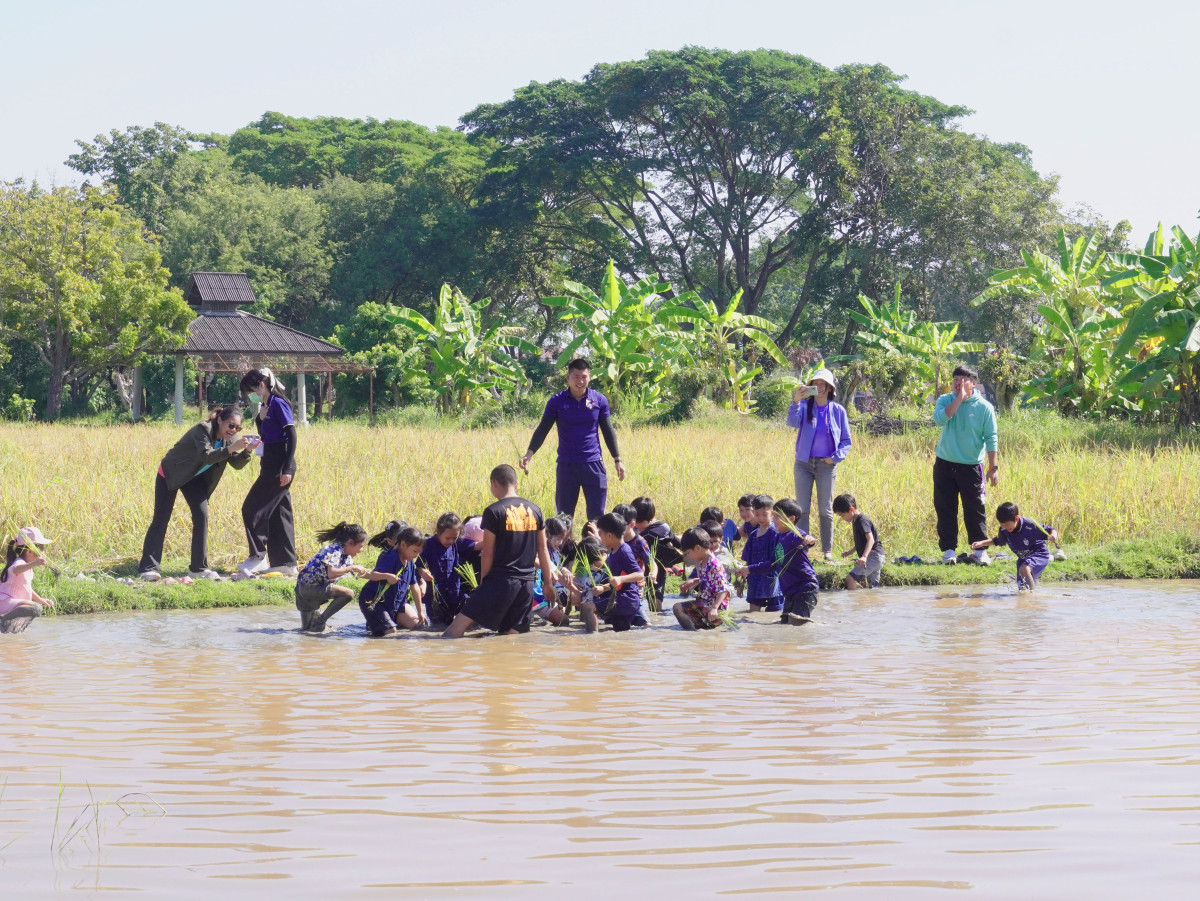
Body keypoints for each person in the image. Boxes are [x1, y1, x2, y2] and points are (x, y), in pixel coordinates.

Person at [139, 407, 254, 581]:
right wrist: (231, 448)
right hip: (172, 472)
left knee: (202, 516)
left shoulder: (230, 438)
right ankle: (148, 568)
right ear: (220, 420)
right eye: (231, 425)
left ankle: (198, 569)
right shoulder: (202, 429)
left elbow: (236, 464)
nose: (234, 430)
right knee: (161, 519)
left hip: (194, 478)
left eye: (238, 428)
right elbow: (207, 456)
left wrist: (247, 451)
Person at [443, 464, 554, 639]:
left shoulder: (493, 511)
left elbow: (488, 552)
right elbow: (543, 550)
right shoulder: (535, 510)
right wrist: (548, 583)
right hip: (527, 585)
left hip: (500, 580)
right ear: (516, 484)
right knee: (510, 637)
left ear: (494, 483)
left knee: (454, 630)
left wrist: (484, 582)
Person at [519, 358, 625, 520]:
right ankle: (564, 538)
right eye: (576, 377)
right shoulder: (556, 401)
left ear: (589, 377)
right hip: (567, 466)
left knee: (597, 517)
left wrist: (617, 460)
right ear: (568, 377)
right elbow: (543, 429)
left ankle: (593, 537)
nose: (580, 381)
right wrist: (529, 453)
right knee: (563, 517)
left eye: (584, 377)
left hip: (593, 464)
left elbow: (608, 430)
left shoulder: (599, 400)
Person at [933, 364, 999, 565]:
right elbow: (940, 420)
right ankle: (949, 550)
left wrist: (993, 468)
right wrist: (959, 399)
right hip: (945, 463)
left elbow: (991, 438)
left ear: (973, 383)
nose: (958, 385)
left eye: (963, 381)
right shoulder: (945, 400)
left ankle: (979, 551)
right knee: (945, 507)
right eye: (955, 381)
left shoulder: (984, 407)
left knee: (975, 509)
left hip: (971, 466)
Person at [787, 368, 852, 563]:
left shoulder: (838, 410)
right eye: (815, 384)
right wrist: (796, 400)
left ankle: (827, 552)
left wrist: (835, 458)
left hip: (826, 465)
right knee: (802, 509)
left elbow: (846, 440)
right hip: (803, 464)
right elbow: (792, 423)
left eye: (823, 384)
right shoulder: (804, 406)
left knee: (825, 510)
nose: (819, 387)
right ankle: (803, 550)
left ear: (830, 387)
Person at [238, 368, 298, 578]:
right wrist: (259, 420)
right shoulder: (266, 407)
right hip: (269, 462)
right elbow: (265, 434)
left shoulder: (278, 403)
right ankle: (285, 563)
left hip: (279, 464)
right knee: (279, 514)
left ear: (261, 385)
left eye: (251, 390)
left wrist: (287, 468)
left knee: (251, 508)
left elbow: (292, 435)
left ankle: (258, 556)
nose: (250, 395)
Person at [295, 522, 373, 632]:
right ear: (350, 543)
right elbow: (331, 573)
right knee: (348, 594)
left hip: (304, 588)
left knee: (308, 630)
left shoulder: (345, 556)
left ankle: (318, 624)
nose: (361, 550)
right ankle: (321, 621)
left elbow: (361, 574)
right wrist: (352, 568)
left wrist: (385, 576)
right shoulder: (334, 550)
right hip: (310, 587)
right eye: (361, 546)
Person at [579, 512, 646, 633]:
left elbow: (639, 574)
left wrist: (620, 579)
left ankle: (591, 638)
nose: (599, 537)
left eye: (600, 534)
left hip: (625, 599)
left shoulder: (624, 551)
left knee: (588, 607)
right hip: (621, 597)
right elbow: (616, 580)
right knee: (620, 630)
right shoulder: (614, 550)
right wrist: (603, 588)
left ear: (609, 535)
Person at [971, 502, 1060, 590]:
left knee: (1024, 569)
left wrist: (1053, 535)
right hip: (1022, 559)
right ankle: (1031, 597)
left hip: (1039, 554)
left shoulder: (1030, 525)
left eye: (1007, 524)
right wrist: (981, 543)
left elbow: (1051, 530)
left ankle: (1031, 596)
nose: (1005, 527)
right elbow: (998, 541)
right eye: (1002, 524)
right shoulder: (1004, 530)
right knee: (1022, 588)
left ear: (1016, 518)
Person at [360, 524, 429, 636]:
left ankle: (383, 622)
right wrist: (387, 576)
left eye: (419, 552)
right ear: (403, 545)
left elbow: (414, 586)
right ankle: (377, 623)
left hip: (395, 604)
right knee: (391, 632)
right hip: (373, 601)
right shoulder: (391, 557)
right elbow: (371, 575)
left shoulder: (410, 562)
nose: (416, 555)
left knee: (418, 626)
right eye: (415, 551)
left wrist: (420, 612)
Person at [419, 512, 478, 626]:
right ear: (438, 532)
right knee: (439, 626)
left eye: (454, 538)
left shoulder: (458, 543)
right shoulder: (427, 545)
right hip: (435, 598)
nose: (451, 541)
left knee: (470, 618)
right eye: (447, 538)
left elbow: (478, 545)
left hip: (455, 593)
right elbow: (417, 566)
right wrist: (422, 572)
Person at [672, 527, 731, 631]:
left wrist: (714, 608)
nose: (688, 557)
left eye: (688, 553)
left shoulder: (714, 564)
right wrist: (694, 581)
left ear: (697, 548)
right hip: (706, 604)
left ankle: (693, 632)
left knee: (677, 607)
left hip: (714, 609)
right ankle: (696, 629)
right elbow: (709, 580)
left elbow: (724, 589)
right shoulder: (703, 562)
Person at [772, 498, 820, 623]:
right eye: (774, 516)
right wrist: (749, 569)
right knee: (785, 623)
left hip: (805, 587)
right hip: (790, 591)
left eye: (778, 516)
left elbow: (805, 538)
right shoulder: (778, 537)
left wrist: (809, 540)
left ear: (791, 519)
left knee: (798, 622)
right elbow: (773, 564)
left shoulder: (795, 534)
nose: (773, 520)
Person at [0, 527, 55, 634]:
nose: (43, 551)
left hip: (11, 603)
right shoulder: (19, 563)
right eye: (42, 548)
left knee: (35, 608)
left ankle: (5, 626)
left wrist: (40, 599)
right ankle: (2, 621)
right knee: (35, 608)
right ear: (30, 551)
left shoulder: (27, 567)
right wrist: (35, 563)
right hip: (5, 602)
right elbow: (15, 569)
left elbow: (26, 587)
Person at [737, 495, 784, 612]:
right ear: (753, 512)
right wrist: (742, 581)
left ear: (772, 513)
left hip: (773, 581)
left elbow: (776, 562)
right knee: (753, 612)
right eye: (757, 514)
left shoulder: (775, 533)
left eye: (764, 514)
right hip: (754, 580)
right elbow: (748, 561)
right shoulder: (753, 535)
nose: (761, 518)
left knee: (775, 614)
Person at [631, 496, 682, 603]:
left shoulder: (661, 529)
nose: (636, 525)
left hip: (657, 569)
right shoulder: (631, 527)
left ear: (651, 519)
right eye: (635, 521)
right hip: (636, 569)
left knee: (655, 605)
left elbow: (677, 542)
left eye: (640, 522)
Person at [833, 494, 886, 589]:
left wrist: (864, 557)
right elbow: (863, 542)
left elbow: (870, 539)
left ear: (851, 510)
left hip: (873, 556)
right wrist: (850, 552)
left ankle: (854, 599)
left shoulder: (862, 521)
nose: (843, 518)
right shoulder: (855, 520)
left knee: (850, 579)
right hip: (877, 556)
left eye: (843, 515)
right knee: (873, 587)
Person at [532, 516, 570, 626]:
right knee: (522, 626)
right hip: (528, 593)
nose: (561, 542)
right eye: (558, 539)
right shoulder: (533, 547)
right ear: (548, 534)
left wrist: (565, 571)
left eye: (562, 539)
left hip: (540, 595)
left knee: (563, 621)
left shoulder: (553, 551)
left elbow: (556, 569)